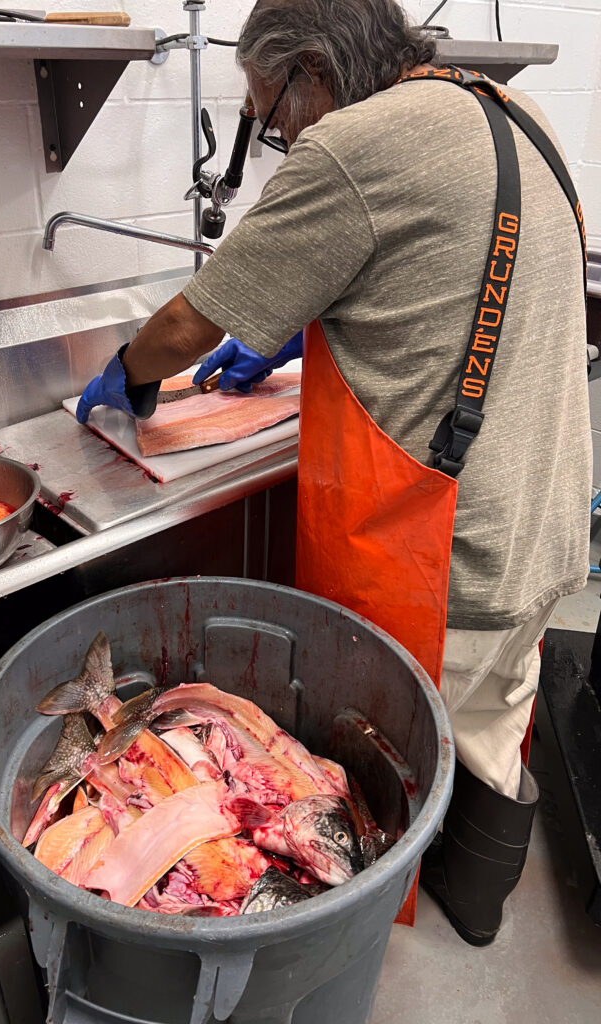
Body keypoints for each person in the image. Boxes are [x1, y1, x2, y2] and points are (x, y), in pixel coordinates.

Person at [75, 0, 590, 945]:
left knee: (388, 770)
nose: (279, 138)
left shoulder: (355, 145)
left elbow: (192, 320)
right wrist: (293, 346)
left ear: (315, 70)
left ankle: (365, 934)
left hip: (445, 551)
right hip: (543, 520)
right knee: (491, 721)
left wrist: (133, 368)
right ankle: (474, 909)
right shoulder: (519, 116)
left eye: (271, 115)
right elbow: (451, 285)